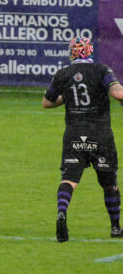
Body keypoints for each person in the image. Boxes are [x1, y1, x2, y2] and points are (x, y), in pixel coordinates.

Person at [43, 36, 123, 242]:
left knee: (69, 179)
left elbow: (47, 102)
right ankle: (115, 227)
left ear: (71, 52)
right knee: (109, 183)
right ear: (89, 51)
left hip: (73, 134)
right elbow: (117, 92)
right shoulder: (101, 70)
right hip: (100, 134)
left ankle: (62, 212)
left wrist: (68, 97)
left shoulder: (63, 74)